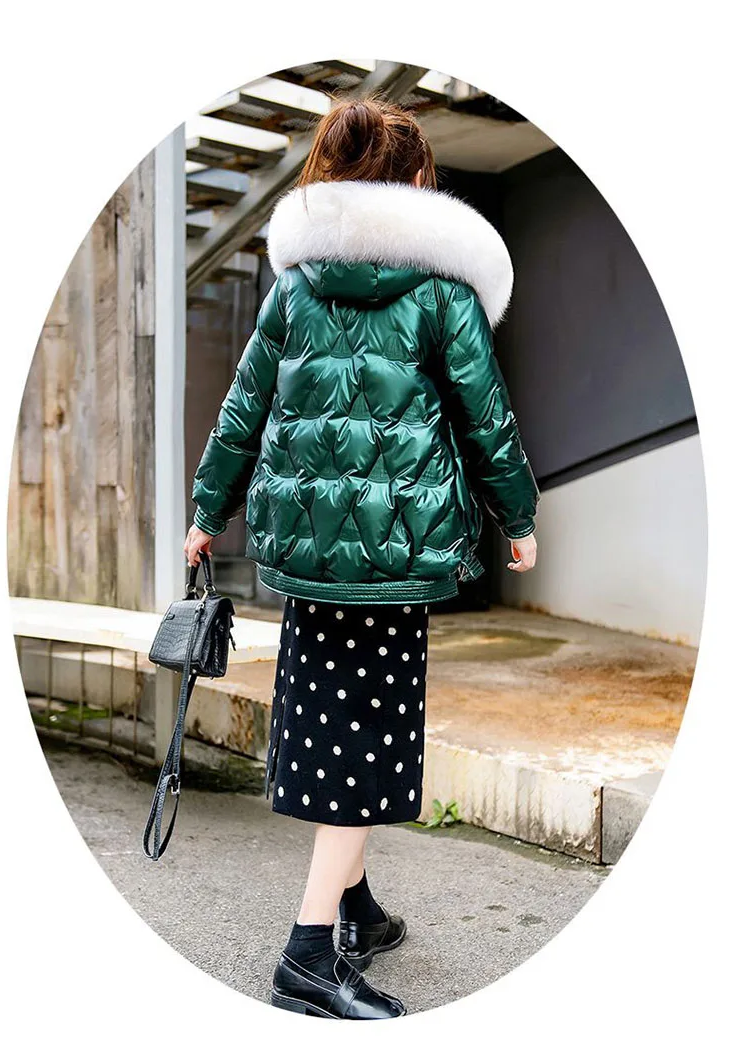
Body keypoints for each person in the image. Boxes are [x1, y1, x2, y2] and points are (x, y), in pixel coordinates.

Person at [184, 95, 539, 1019]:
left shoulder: (295, 289)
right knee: (364, 743)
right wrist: (517, 517)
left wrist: (207, 510)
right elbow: (486, 416)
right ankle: (308, 956)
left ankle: (357, 909)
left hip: (309, 559)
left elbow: (243, 406)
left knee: (333, 725)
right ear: (418, 181)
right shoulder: (442, 292)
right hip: (393, 560)